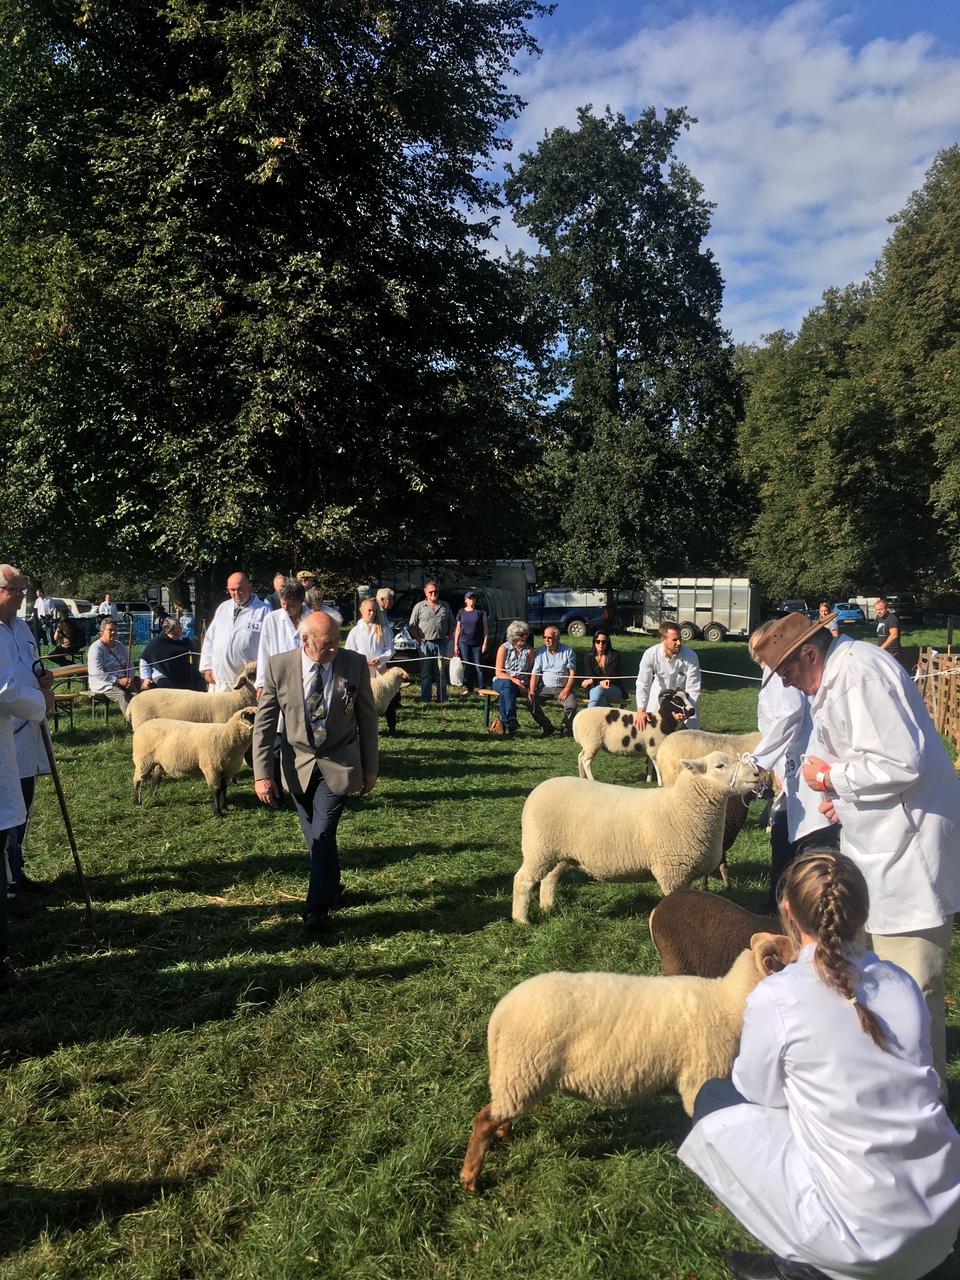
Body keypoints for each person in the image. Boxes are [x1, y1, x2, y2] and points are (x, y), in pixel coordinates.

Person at [679, 849, 960, 1280]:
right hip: (941, 1221)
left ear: (787, 911)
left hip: (861, 1238)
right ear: (864, 912)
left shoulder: (776, 997)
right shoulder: (901, 984)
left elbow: (757, 1094)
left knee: (714, 1097)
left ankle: (801, 1265)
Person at [752, 608, 960, 1096]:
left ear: (809, 652)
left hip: (910, 852)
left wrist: (831, 779)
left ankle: (923, 1098)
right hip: (876, 846)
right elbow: (860, 754)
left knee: (913, 982)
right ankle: (883, 1080)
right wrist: (840, 795)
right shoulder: (830, 681)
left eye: (787, 672)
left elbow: (901, 761)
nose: (787, 683)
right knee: (873, 975)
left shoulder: (860, 673)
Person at [252, 611, 378, 934]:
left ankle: (315, 911)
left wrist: (370, 768)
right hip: (296, 767)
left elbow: (367, 720)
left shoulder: (354, 663)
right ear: (305, 640)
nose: (335, 647)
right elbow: (264, 725)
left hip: (339, 763)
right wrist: (262, 773)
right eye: (328, 643)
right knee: (315, 840)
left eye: (337, 640)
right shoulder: (279, 667)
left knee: (323, 834)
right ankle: (331, 886)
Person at [747, 618, 840, 910]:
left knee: (807, 839)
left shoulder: (776, 674)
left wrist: (758, 762)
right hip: (793, 766)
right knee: (787, 834)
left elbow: (789, 715)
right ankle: (781, 903)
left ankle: (786, 906)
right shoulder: (772, 675)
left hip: (804, 764)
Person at [0, 566, 55, 987]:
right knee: (5, 813)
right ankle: (10, 886)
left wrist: (44, 679)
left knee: (22, 803)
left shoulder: (22, 628)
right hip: (12, 724)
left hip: (24, 730)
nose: (22, 596)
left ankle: (16, 873)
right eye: (14, 590)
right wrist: (40, 699)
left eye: (21, 590)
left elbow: (31, 666)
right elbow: (5, 690)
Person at [199, 571, 270, 692]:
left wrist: (262, 681)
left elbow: (269, 648)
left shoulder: (264, 611)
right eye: (232, 590)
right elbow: (210, 639)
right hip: (219, 681)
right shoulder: (223, 608)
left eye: (240, 589)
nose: (236, 593)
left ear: (249, 586)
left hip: (247, 683)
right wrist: (207, 667)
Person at [634, 621, 701, 730]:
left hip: (683, 698)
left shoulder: (691, 656)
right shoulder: (650, 655)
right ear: (663, 639)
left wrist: (687, 713)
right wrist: (641, 709)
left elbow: (693, 689)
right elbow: (643, 684)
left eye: (680, 638)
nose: (679, 643)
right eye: (674, 639)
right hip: (658, 696)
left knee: (691, 732)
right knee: (652, 730)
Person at [255, 578, 311, 696]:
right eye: (283, 603)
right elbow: (263, 652)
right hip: (279, 680)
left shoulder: (313, 619)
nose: (285, 608)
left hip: (307, 679)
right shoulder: (271, 619)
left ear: (302, 600)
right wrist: (261, 683)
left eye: (291, 605)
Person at [408, 582, 454, 704]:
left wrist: (449, 637)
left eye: (436, 591)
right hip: (425, 644)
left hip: (441, 644)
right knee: (425, 673)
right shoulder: (419, 607)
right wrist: (418, 638)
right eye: (431, 592)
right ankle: (425, 698)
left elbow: (452, 623)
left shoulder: (445, 606)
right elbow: (412, 626)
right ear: (425, 592)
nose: (433, 594)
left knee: (440, 672)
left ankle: (441, 697)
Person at [529, 627, 576, 737]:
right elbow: (535, 673)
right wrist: (531, 690)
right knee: (531, 702)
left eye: (549, 637)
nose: (546, 640)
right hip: (544, 687)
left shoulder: (568, 652)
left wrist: (567, 689)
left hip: (562, 687)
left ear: (557, 638)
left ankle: (565, 726)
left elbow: (572, 673)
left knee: (572, 705)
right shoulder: (540, 651)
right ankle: (546, 726)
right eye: (544, 637)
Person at [88, 617, 139, 714]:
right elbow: (98, 673)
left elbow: (130, 666)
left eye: (115, 630)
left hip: (125, 680)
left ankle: (143, 721)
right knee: (122, 695)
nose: (113, 632)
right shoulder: (96, 648)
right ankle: (132, 723)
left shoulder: (120, 646)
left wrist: (130, 678)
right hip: (105, 682)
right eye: (110, 630)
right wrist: (118, 681)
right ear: (102, 632)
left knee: (137, 697)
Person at [492, 620, 534, 736]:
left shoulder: (529, 651)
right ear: (513, 636)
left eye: (526, 634)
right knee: (507, 683)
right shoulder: (503, 648)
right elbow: (499, 672)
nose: (524, 637)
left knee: (505, 692)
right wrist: (515, 681)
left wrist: (529, 689)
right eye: (521, 635)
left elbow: (531, 673)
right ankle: (512, 716)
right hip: (501, 681)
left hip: (520, 686)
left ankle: (507, 724)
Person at [139, 617, 198, 690]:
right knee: (166, 685)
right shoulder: (157, 643)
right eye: (179, 627)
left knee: (199, 681)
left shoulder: (185, 641)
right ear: (170, 631)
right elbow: (145, 660)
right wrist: (146, 678)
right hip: (162, 674)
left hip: (183, 673)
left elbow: (194, 655)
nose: (181, 628)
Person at [453, 590, 488, 694]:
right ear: (466, 600)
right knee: (467, 666)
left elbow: (485, 628)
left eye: (473, 598)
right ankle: (469, 688)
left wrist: (485, 643)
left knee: (478, 666)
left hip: (477, 643)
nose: (472, 600)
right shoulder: (461, 612)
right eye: (470, 598)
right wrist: (455, 644)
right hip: (463, 642)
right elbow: (458, 629)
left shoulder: (480, 612)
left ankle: (482, 689)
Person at [580, 630, 625, 707]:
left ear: (607, 643)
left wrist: (593, 680)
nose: (600, 644)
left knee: (599, 688)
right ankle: (597, 719)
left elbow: (611, 675)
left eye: (603, 642)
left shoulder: (615, 655)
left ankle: (586, 715)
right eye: (598, 641)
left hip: (614, 689)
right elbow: (589, 674)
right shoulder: (588, 657)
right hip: (594, 690)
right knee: (602, 700)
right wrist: (599, 681)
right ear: (594, 642)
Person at [874, 597, 906, 666]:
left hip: (893, 652)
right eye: (876, 610)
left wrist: (882, 648)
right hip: (883, 652)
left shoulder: (892, 619)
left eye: (881, 609)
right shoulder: (881, 619)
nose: (878, 611)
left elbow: (894, 635)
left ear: (886, 608)